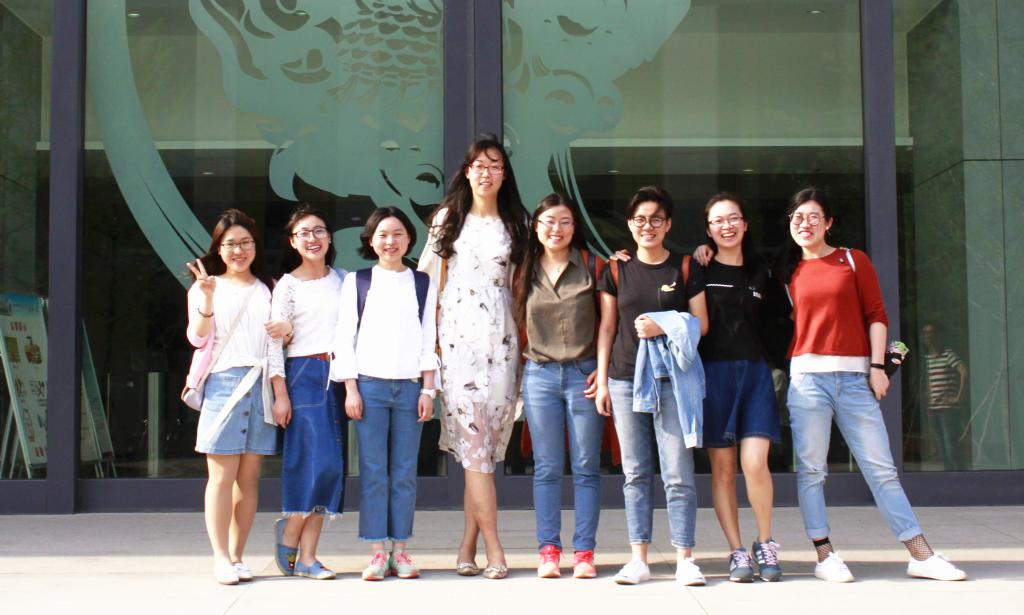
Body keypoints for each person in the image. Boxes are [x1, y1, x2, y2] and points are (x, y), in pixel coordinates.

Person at [779, 187, 966, 582]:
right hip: (807, 380)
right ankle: (825, 556)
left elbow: (876, 315)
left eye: (813, 216)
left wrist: (877, 367)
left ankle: (920, 554)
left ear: (828, 222)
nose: (805, 223)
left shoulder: (852, 260)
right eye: (797, 217)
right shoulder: (787, 272)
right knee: (812, 472)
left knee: (881, 470)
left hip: (854, 379)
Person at [418, 134, 528, 579]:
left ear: (505, 173)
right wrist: (429, 346)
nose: (486, 173)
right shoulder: (448, 219)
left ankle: (466, 546)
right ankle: (495, 550)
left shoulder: (517, 223)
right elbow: (428, 283)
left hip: (503, 344)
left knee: (480, 453)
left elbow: (527, 283)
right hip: (458, 344)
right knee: (476, 449)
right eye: (478, 165)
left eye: (495, 165)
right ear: (466, 172)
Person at [594, 185, 709, 586]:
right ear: (630, 224)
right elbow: (607, 327)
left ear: (668, 224)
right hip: (625, 379)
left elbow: (702, 324)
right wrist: (603, 381)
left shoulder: (684, 267)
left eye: (656, 219)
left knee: (678, 472)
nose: (648, 226)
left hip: (673, 381)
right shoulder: (615, 269)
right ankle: (638, 558)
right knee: (635, 473)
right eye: (640, 219)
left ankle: (685, 558)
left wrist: (663, 324)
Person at [332, 207, 438, 581]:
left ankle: (402, 549)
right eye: (382, 234)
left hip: (410, 388)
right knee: (375, 471)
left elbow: (429, 337)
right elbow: (344, 337)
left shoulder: (422, 282)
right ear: (371, 240)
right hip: (369, 386)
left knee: (405, 472)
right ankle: (378, 551)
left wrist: (428, 389)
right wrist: (350, 388)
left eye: (397, 234)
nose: (390, 241)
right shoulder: (357, 281)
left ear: (409, 239)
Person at [512, 193, 604, 579]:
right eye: (548, 221)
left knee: (586, 467)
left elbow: (610, 322)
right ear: (536, 227)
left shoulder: (593, 266)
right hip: (540, 375)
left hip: (584, 374)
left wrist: (603, 370)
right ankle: (548, 550)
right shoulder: (523, 270)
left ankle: (584, 552)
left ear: (574, 226)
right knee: (547, 468)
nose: (556, 229)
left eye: (564, 221)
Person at [185, 209, 278, 585]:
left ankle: (238, 556)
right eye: (231, 244)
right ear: (218, 249)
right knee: (221, 477)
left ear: (255, 245)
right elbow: (197, 337)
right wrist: (207, 299)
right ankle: (220, 557)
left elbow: (277, 344)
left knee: (250, 478)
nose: (239, 250)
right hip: (224, 384)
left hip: (261, 385)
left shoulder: (270, 287)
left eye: (245, 242)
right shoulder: (205, 287)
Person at [697, 192, 785, 582]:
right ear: (708, 230)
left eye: (733, 218)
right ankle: (736, 551)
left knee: (754, 464)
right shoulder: (698, 269)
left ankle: (765, 542)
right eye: (718, 220)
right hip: (713, 375)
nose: (727, 226)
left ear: (745, 224)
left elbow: (781, 321)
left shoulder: (762, 270)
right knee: (723, 468)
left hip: (755, 374)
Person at [268, 205, 347, 580]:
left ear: (329, 237)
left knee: (330, 468)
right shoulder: (287, 285)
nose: (312, 239)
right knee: (311, 463)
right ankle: (292, 534)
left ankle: (308, 555)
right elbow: (274, 344)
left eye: (319, 231)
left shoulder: (343, 280)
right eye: (304, 233)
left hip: (340, 375)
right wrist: (280, 394)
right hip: (304, 373)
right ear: (293, 242)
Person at [921, 323, 969, 471]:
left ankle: (961, 477)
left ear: (938, 335)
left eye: (932, 332)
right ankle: (949, 479)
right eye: (925, 333)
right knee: (942, 451)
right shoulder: (927, 358)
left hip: (948, 409)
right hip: (933, 409)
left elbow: (964, 371)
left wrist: (958, 397)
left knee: (951, 449)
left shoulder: (948, 354)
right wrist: (928, 398)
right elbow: (929, 380)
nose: (929, 336)